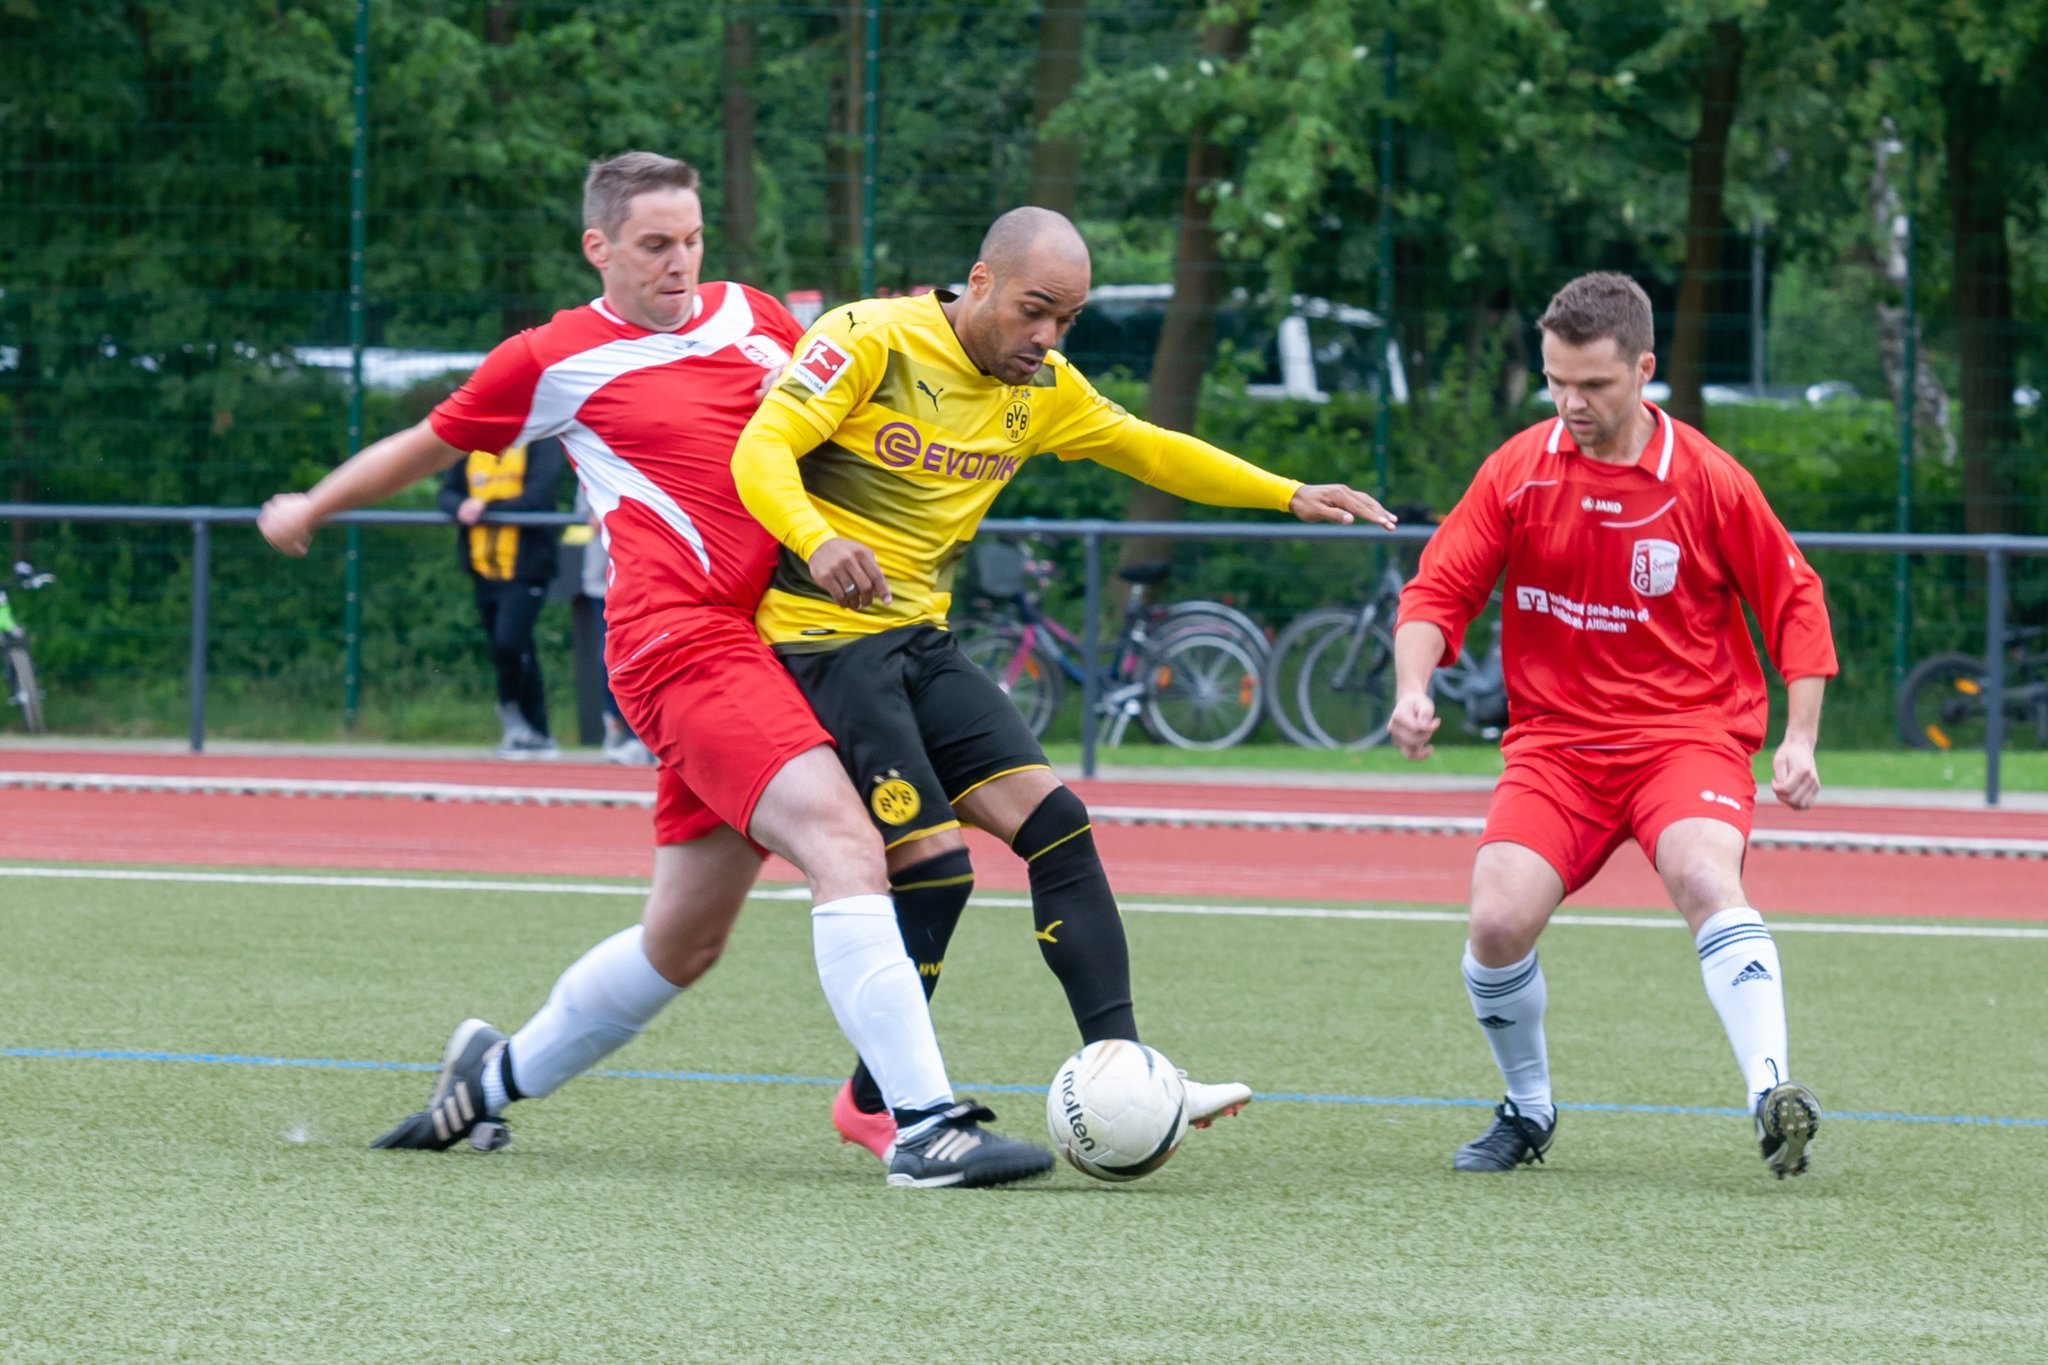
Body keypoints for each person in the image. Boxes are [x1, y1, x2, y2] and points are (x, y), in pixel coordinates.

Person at [258, 151, 1051, 1189]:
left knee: (682, 943)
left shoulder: (755, 314)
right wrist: (312, 507)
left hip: (769, 644)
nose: (679, 264)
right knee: (844, 843)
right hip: (678, 644)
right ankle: (923, 1127)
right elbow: (427, 442)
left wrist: (986, 309)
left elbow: (876, 350)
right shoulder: (555, 355)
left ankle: (481, 1086)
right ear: (599, 248)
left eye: (690, 240)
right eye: (652, 246)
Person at [729, 206, 1398, 1159]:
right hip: (822, 644)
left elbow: (1148, 446)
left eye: (1067, 321)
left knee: (1059, 826)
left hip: (919, 640)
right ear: (982, 280)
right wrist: (818, 536)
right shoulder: (868, 339)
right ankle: (883, 1104)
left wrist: (1288, 492)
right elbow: (758, 450)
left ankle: (1121, 1067)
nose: (1046, 339)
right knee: (934, 865)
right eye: (1034, 311)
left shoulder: (1040, 387)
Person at [1388, 271, 1837, 1179]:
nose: (1571, 402)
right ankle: (1528, 1109)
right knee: (1496, 922)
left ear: (1644, 369)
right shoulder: (1519, 469)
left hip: (1687, 736)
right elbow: (1439, 588)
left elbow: (1793, 600)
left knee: (1708, 878)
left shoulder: (1706, 479)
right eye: (1556, 381)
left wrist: (1798, 738)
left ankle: (1773, 1094)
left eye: (1593, 384)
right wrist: (1413, 685)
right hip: (1555, 746)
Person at [437, 436, 569, 759]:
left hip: (526, 567)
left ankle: (511, 713)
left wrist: (486, 507)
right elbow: (447, 493)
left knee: (509, 643)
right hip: (484, 567)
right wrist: (461, 506)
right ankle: (536, 732)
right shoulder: (473, 443)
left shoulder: (541, 442)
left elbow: (538, 497)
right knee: (515, 648)